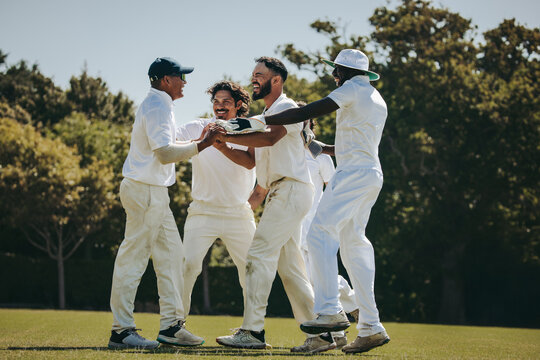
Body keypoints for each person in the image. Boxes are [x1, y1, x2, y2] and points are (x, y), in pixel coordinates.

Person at [227, 49, 390, 354]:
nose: (333, 76)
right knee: (355, 244)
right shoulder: (374, 97)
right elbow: (348, 145)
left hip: (352, 175)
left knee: (318, 234)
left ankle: (330, 310)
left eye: (336, 71)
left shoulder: (350, 89)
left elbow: (306, 112)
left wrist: (259, 122)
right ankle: (371, 326)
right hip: (370, 173)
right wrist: (316, 146)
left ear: (345, 72)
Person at [214, 57, 325, 353]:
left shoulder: (286, 108)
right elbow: (251, 158)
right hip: (283, 192)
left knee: (258, 255)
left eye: (259, 75)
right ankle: (323, 333)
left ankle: (252, 331)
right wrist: (221, 144)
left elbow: (272, 138)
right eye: (253, 75)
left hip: (290, 189)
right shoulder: (266, 113)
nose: (254, 80)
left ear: (276, 80)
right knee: (290, 269)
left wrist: (231, 130)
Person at [108, 57, 220, 350]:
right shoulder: (157, 106)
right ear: (165, 79)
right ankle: (121, 331)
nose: (185, 81)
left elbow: (166, 150)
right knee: (133, 259)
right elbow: (165, 154)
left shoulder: (161, 104)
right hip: (145, 190)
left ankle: (171, 327)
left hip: (154, 192)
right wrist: (203, 144)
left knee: (172, 258)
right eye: (181, 76)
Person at [175, 80, 256, 321]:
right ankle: (175, 324)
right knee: (187, 268)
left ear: (238, 105)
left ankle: (252, 329)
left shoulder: (250, 129)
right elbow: (167, 144)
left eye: (226, 102)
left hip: (239, 213)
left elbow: (250, 162)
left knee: (251, 271)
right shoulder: (198, 126)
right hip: (202, 212)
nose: (220, 106)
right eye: (216, 102)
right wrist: (200, 142)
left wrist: (220, 147)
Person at [298, 115, 359, 349]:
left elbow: (333, 186)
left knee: (318, 278)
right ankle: (339, 330)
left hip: (315, 225)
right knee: (310, 281)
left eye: (303, 122)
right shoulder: (282, 150)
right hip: (293, 226)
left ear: (310, 126)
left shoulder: (318, 152)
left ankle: (352, 311)